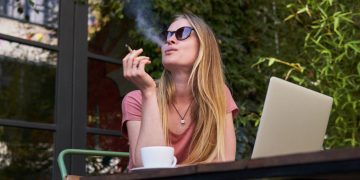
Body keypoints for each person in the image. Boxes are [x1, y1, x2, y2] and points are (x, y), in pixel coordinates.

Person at [121, 13, 238, 169]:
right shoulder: (136, 99)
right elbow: (148, 166)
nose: (170, 40)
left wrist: (176, 170)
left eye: (182, 33)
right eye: (166, 35)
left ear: (203, 45)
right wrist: (149, 93)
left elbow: (225, 160)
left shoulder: (219, 94)